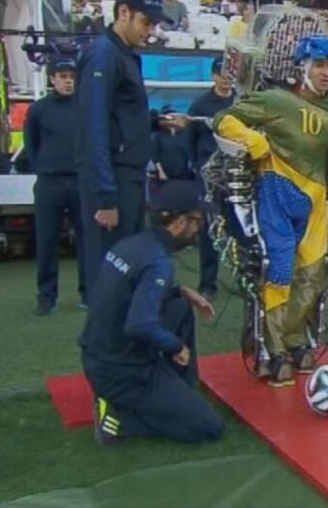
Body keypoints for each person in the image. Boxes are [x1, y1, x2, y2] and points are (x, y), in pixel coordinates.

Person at [213, 35, 328, 387]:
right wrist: (254, 142)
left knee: (313, 276)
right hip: (275, 195)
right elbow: (223, 119)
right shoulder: (274, 100)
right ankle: (273, 349)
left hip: (315, 202)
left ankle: (295, 340)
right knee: (279, 270)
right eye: (320, 65)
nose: (327, 73)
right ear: (303, 67)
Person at [79, 180, 224, 445]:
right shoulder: (159, 261)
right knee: (209, 427)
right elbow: (139, 325)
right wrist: (174, 345)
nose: (197, 230)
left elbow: (125, 294)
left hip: (97, 356)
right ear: (179, 222)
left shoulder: (131, 245)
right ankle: (120, 414)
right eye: (196, 222)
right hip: (122, 373)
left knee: (179, 308)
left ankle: (175, 389)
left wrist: (178, 291)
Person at [76, 0, 190, 293]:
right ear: (123, 13)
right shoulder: (104, 55)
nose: (150, 31)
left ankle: (121, 336)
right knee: (111, 271)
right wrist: (105, 196)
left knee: (125, 270)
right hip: (114, 179)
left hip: (126, 175)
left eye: (154, 24)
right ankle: (104, 340)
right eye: (146, 22)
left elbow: (118, 117)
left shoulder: (120, 54)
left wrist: (153, 122)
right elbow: (93, 126)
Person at [24, 57, 87, 314]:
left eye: (71, 76)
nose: (68, 80)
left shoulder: (84, 107)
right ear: (52, 79)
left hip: (79, 181)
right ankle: (46, 296)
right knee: (47, 240)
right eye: (62, 76)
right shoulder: (38, 109)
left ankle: (89, 294)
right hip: (49, 182)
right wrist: (42, 167)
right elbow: (31, 145)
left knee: (86, 241)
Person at [189, 57, 235, 299]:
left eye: (230, 72)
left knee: (244, 230)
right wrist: (197, 168)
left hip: (239, 173)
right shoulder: (200, 105)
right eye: (221, 72)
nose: (226, 76)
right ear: (213, 76)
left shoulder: (243, 103)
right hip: (208, 176)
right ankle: (208, 283)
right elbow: (190, 139)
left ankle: (246, 279)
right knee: (210, 230)